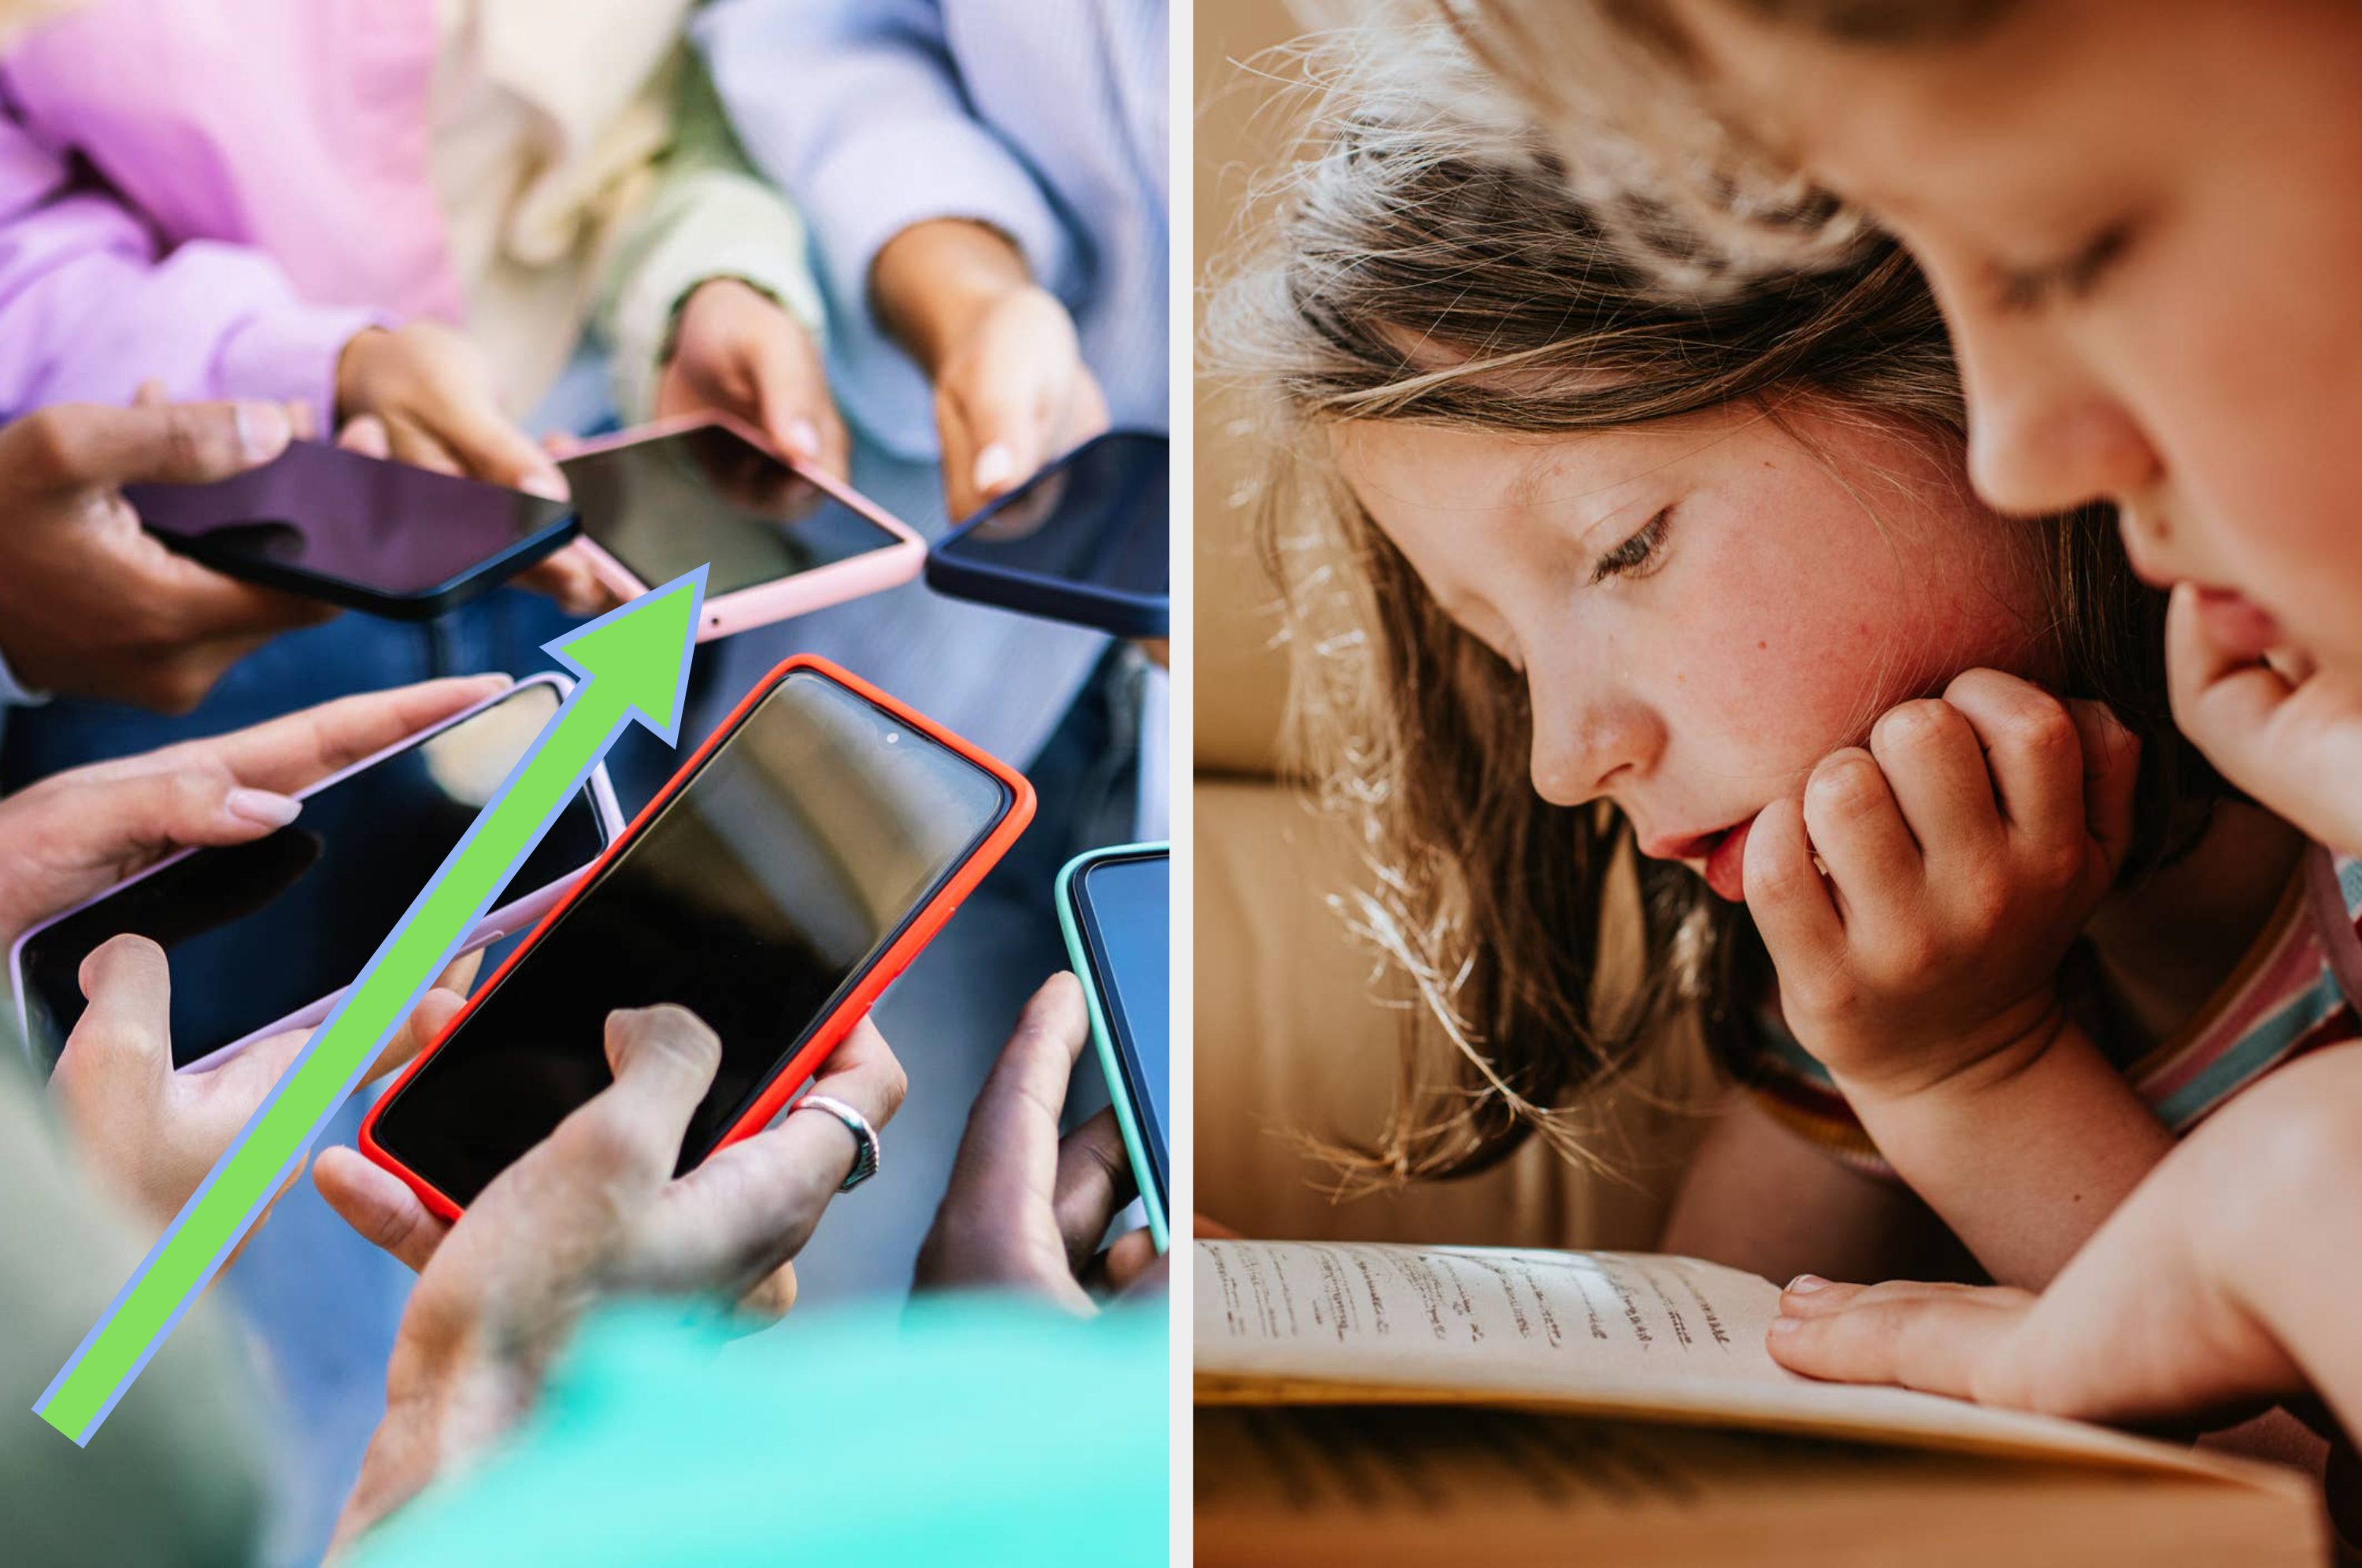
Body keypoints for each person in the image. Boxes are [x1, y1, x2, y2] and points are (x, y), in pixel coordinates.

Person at [1203, 29, 2345, 1383]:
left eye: (1626, 547)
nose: (1566, 761)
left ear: (1951, 352)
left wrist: (1972, 1077)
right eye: (1500, 650)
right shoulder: (1870, 943)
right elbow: (1714, 1394)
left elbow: (2295, 1485)